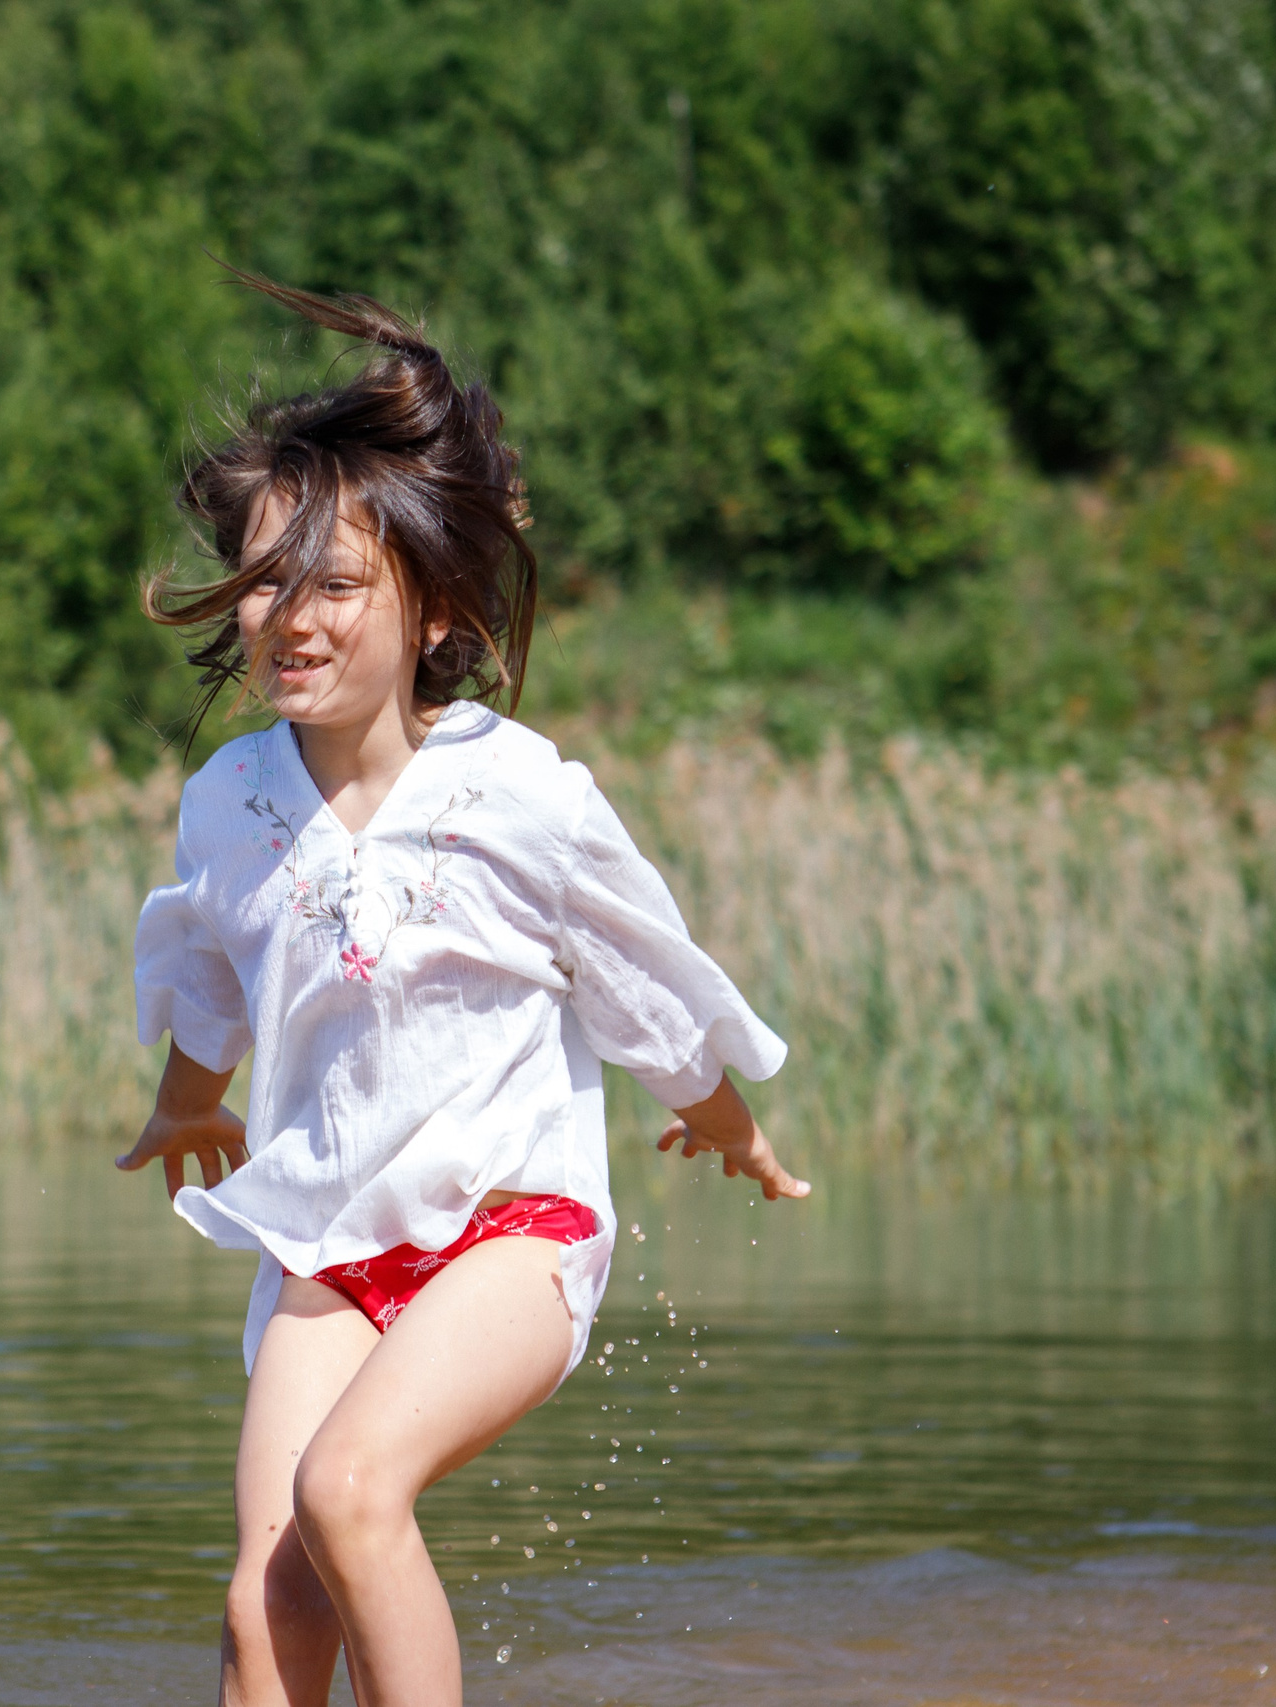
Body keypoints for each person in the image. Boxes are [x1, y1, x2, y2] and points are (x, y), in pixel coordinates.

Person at [119, 271, 810, 1707]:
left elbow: (633, 971)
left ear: (433, 608)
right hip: (325, 1243)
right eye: (262, 581)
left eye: (331, 585)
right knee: (264, 1608)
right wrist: (189, 1102)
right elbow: (205, 966)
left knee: (354, 1489)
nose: (286, 618)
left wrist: (725, 1115)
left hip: (512, 1230)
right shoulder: (227, 802)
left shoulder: (517, 794)